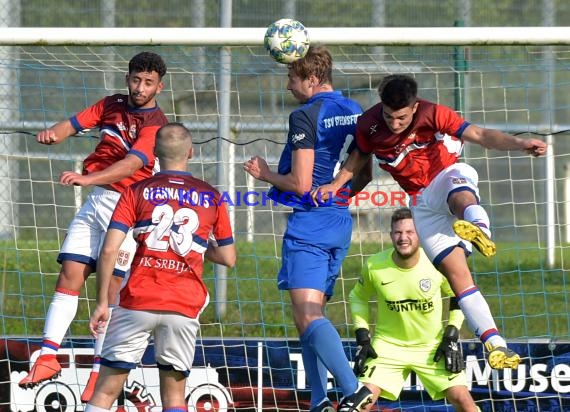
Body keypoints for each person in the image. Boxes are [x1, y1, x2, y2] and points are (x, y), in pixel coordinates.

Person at [313, 74, 548, 370]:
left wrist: (520, 143)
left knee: (459, 196)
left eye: (400, 117)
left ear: (414, 108)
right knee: (458, 278)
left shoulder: (432, 113)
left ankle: (481, 231)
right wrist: (336, 186)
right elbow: (358, 157)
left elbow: (481, 135)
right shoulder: (370, 124)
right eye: (388, 116)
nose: (394, 124)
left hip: (447, 175)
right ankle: (495, 343)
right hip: (421, 205)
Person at [18, 51, 169, 402]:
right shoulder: (110, 104)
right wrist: (53, 133)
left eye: (148, 83)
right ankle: (48, 356)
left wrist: (88, 179)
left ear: (159, 87)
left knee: (112, 289)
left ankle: (99, 373)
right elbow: (71, 124)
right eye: (135, 79)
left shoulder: (155, 123)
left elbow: (132, 165)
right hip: (96, 200)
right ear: (127, 78)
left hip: (128, 206)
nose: (140, 87)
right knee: (70, 273)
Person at [244, 45, 373, 412]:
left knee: (307, 315)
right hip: (339, 220)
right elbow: (364, 173)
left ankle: (353, 389)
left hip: (311, 223)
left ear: (312, 80)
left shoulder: (306, 115)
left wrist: (265, 173)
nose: (288, 85)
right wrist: (337, 196)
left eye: (291, 77)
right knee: (309, 317)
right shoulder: (356, 112)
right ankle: (318, 400)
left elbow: (301, 185)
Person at [84, 122, 236, 412]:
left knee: (105, 392)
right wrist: (195, 245)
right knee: (174, 398)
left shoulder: (135, 191)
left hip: (137, 301)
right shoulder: (211, 195)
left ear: (153, 153)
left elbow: (109, 250)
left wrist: (103, 302)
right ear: (190, 152)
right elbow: (228, 257)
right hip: (182, 305)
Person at [349, 207, 480, 412]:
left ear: (419, 233)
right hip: (388, 347)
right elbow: (358, 296)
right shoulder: (375, 265)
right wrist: (362, 335)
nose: (403, 238)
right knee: (359, 404)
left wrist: (451, 334)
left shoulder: (438, 262)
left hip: (432, 347)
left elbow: (460, 293)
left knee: (463, 400)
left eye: (410, 232)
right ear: (391, 235)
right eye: (398, 232)